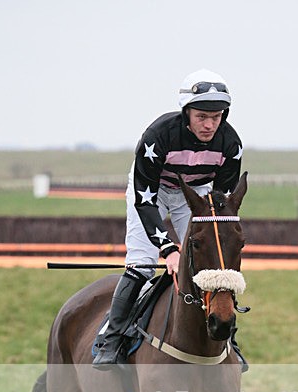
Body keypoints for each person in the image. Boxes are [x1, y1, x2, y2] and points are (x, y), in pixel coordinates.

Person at [93, 68, 243, 369]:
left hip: (195, 193)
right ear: (186, 112)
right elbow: (144, 202)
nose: (209, 124)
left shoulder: (230, 144)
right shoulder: (157, 137)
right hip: (153, 193)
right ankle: (111, 338)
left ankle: (227, 338)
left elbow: (220, 209)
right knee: (142, 264)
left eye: (216, 117)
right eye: (201, 116)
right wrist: (169, 250)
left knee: (213, 264)